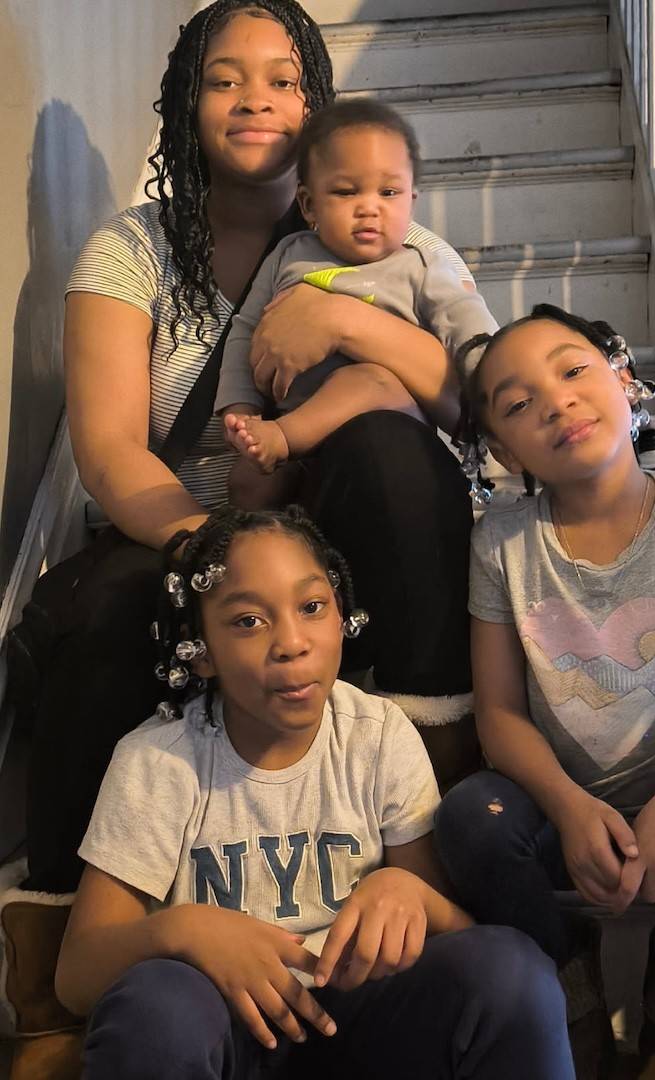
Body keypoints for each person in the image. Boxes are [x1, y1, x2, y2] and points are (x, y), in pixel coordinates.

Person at [21, 0, 487, 906]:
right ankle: (57, 930)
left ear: (316, 102)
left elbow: (478, 396)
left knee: (391, 446)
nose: (253, 100)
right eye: (223, 79)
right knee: (107, 603)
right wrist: (211, 553)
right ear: (185, 104)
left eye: (283, 79)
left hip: (351, 536)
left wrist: (344, 316)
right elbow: (112, 450)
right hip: (191, 528)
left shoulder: (383, 231)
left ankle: (435, 764)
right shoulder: (133, 250)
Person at [54, 505, 574, 1080]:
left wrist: (408, 892)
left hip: (362, 1022)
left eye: (312, 607)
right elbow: (78, 975)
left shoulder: (377, 736)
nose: (292, 643)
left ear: (342, 615)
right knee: (155, 1000)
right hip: (224, 1027)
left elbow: (462, 941)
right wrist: (182, 932)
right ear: (200, 651)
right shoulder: (158, 762)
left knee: (513, 971)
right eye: (249, 621)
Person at [434, 304, 655, 1080]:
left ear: (625, 382)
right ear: (500, 448)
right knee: (469, 820)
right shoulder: (500, 543)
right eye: (519, 404)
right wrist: (566, 805)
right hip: (560, 809)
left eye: (573, 370)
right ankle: (576, 1004)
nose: (556, 402)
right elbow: (497, 713)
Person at [215, 99, 495, 503]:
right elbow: (245, 329)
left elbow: (466, 324)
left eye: (389, 192)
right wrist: (239, 405)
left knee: (366, 380)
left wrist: (494, 371)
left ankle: (286, 441)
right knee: (246, 482)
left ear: (411, 201)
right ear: (309, 204)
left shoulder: (421, 266)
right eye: (346, 192)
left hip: (386, 428)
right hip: (295, 422)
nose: (369, 208)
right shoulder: (289, 254)